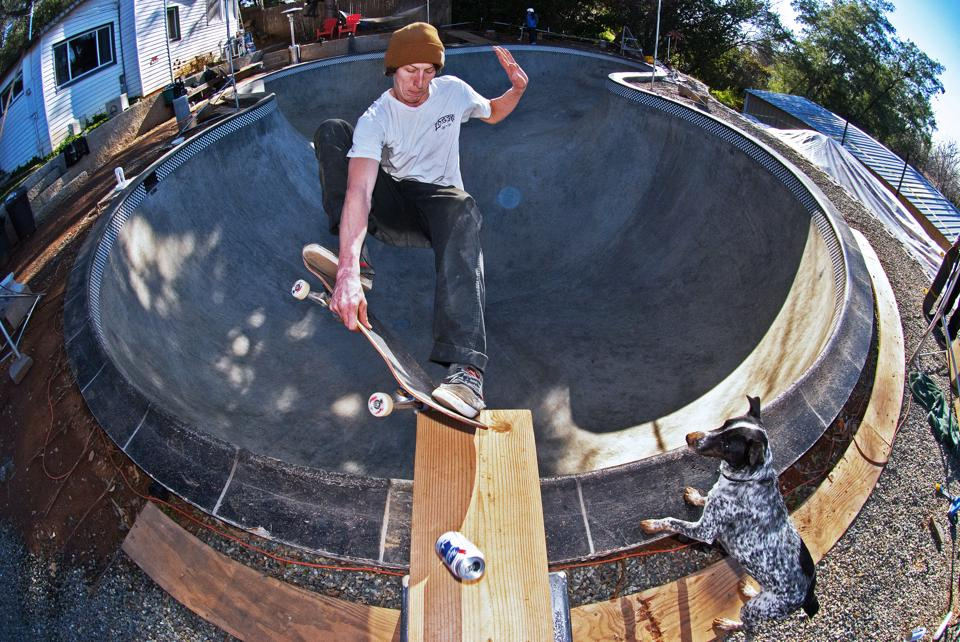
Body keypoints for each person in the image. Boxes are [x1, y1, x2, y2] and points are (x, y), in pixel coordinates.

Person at [311, 23, 528, 418]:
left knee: (463, 205)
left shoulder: (454, 92)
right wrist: (343, 271)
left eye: (429, 71)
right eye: (411, 71)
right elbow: (359, 192)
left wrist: (516, 90)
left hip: (440, 208)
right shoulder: (376, 118)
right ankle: (357, 266)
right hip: (393, 204)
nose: (420, 82)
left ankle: (467, 374)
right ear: (392, 69)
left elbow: (493, 113)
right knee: (331, 132)